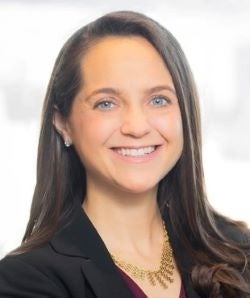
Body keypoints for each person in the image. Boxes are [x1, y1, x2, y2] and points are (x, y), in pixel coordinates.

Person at [0, 10, 249, 298]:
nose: (137, 126)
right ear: (63, 123)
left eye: (159, 100)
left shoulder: (239, 253)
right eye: (106, 103)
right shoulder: (25, 281)